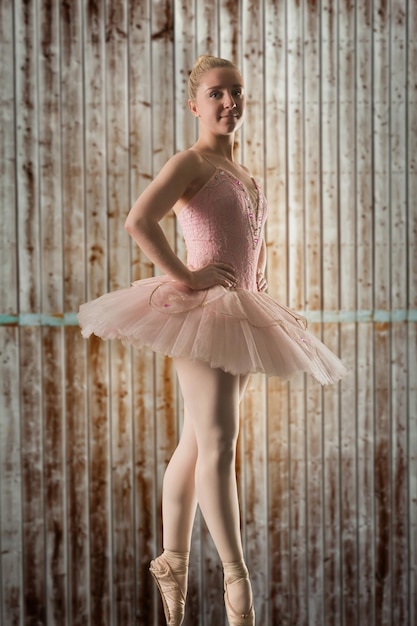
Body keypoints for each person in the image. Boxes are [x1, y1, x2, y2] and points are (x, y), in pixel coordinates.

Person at [79, 55, 348, 626]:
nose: (229, 102)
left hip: (243, 308)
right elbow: (139, 221)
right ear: (194, 104)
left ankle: (170, 567)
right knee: (220, 441)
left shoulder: (245, 172)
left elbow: (250, 245)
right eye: (216, 93)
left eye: (236, 92)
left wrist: (265, 292)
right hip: (201, 310)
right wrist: (186, 275)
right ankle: (236, 577)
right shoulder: (190, 162)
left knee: (197, 442)